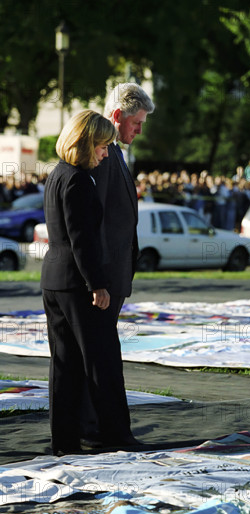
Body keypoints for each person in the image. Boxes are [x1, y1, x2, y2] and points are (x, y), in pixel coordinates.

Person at [41, 110, 137, 456]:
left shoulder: (57, 174)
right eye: (101, 146)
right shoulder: (80, 180)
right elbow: (82, 239)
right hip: (77, 282)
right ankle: (114, 436)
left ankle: (63, 442)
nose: (106, 153)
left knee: (64, 366)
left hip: (54, 279)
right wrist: (97, 284)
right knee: (103, 361)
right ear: (86, 143)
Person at [87, 83, 154, 445]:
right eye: (137, 122)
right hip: (104, 279)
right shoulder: (103, 155)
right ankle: (97, 429)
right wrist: (96, 279)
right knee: (99, 358)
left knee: (103, 355)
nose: (139, 130)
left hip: (113, 275)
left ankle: (99, 427)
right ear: (118, 116)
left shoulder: (116, 154)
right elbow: (93, 220)